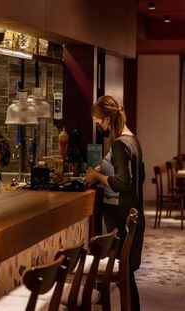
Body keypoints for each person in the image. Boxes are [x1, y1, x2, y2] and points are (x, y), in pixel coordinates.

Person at [85, 95, 145, 311]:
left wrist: (99, 178)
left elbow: (122, 183)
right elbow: (140, 176)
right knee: (127, 277)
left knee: (124, 275)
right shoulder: (132, 139)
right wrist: (104, 171)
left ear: (107, 119)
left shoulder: (119, 144)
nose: (98, 126)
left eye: (97, 121)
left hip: (120, 216)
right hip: (133, 213)